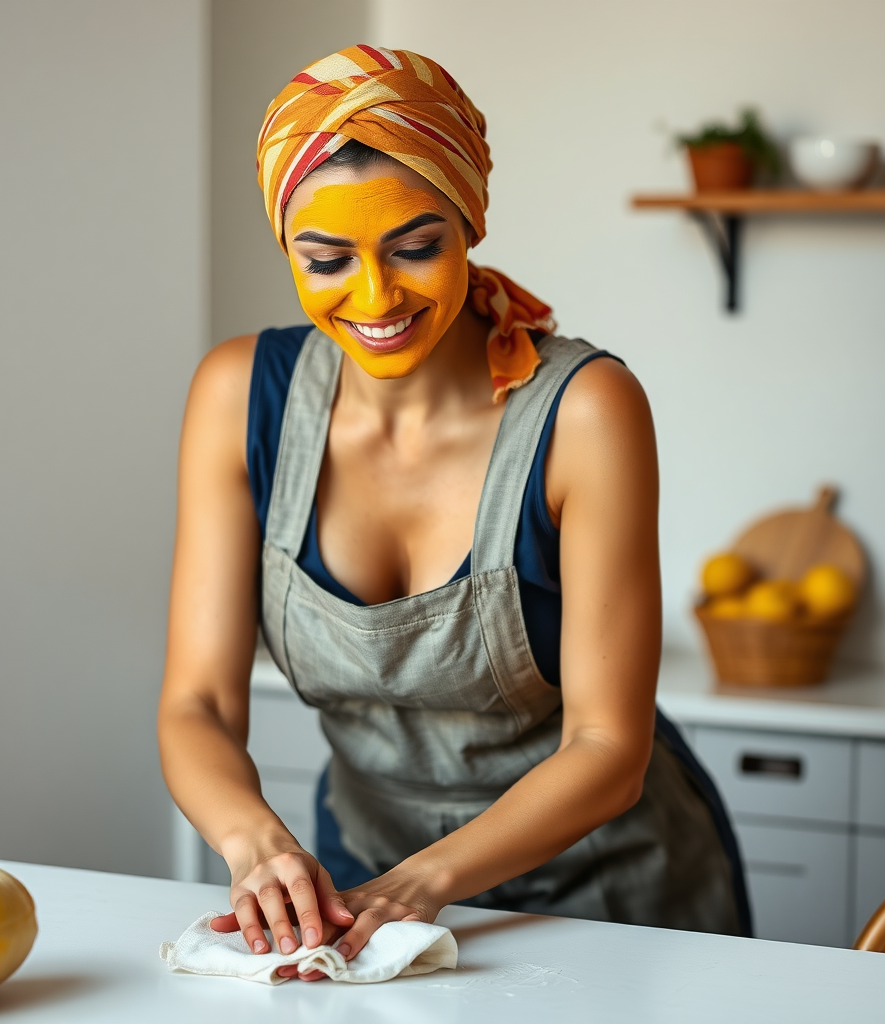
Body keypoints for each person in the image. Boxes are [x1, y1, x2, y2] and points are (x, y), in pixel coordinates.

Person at [158, 44, 750, 981]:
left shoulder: (584, 411)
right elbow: (196, 704)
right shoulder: (241, 396)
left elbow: (607, 748)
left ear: (469, 222)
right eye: (325, 260)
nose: (376, 296)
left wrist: (422, 883)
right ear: (287, 248)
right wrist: (255, 844)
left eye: (416, 246)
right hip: (359, 880)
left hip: (610, 903)